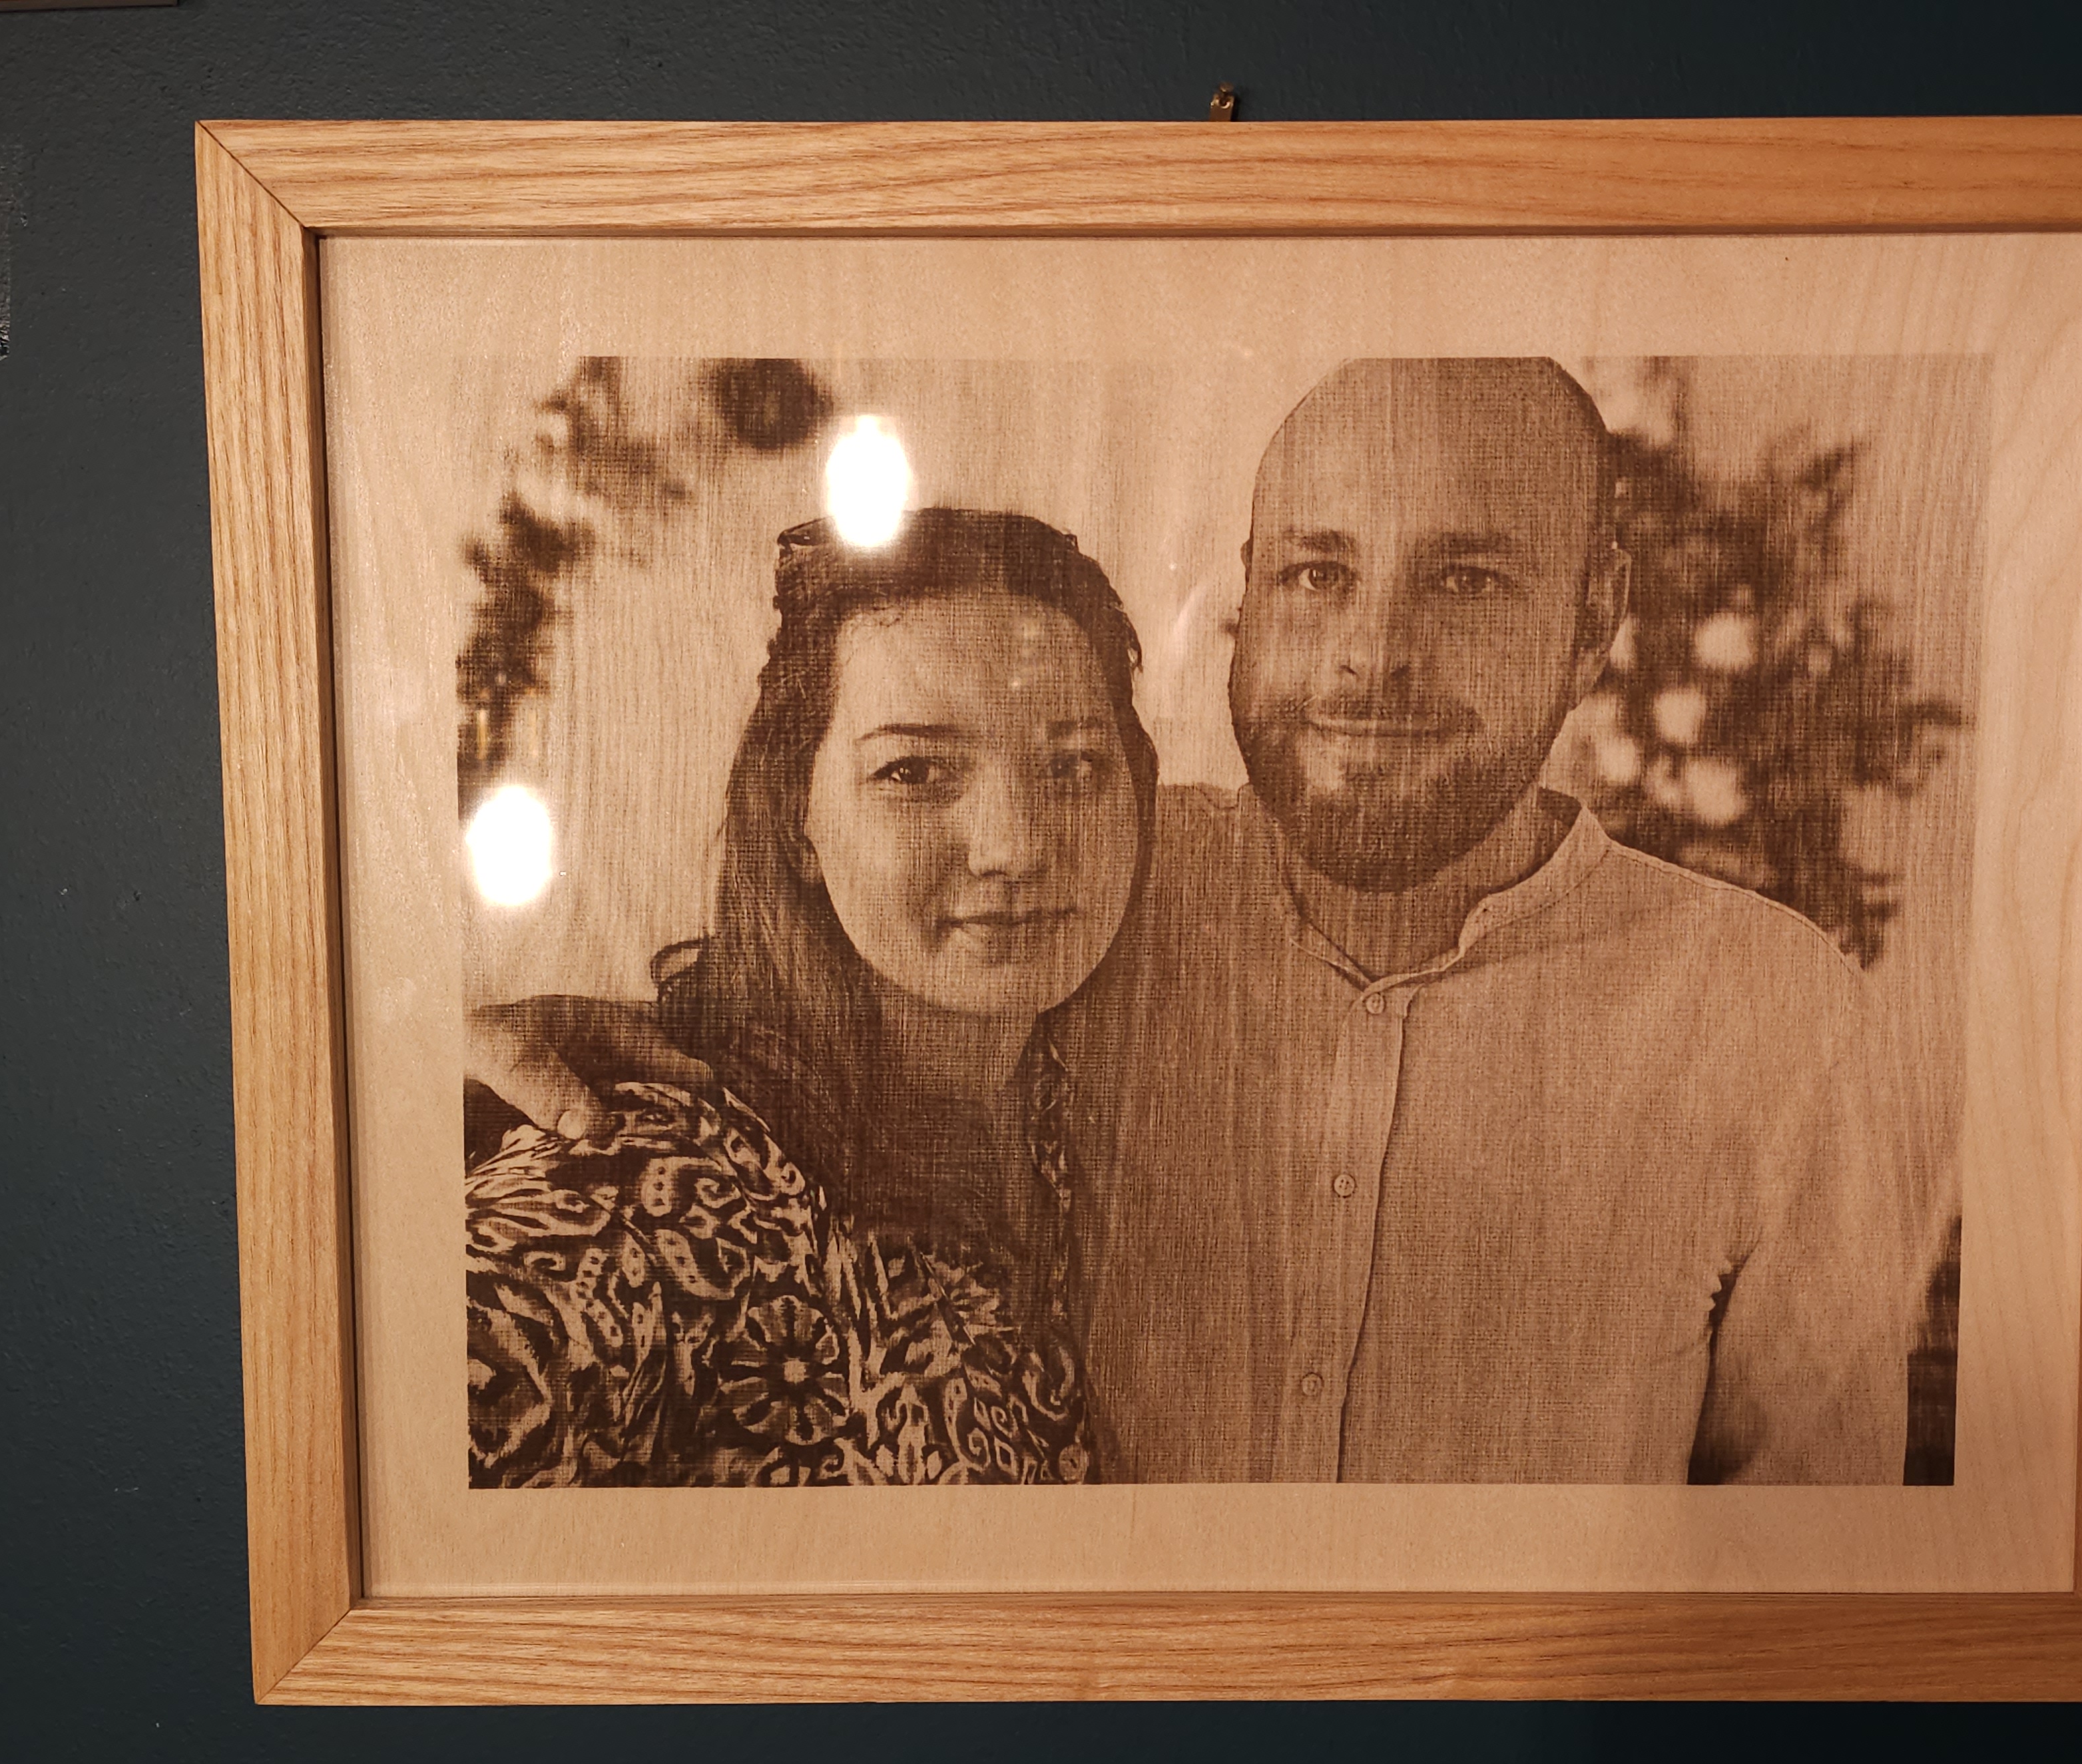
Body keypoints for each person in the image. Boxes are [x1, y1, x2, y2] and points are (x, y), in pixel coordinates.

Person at [475, 360, 1915, 1487]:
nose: (1371, 655)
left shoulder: (1772, 1015)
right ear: (1245, 598)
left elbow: (1807, 1585)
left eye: (1467, 579)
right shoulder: (1087, 895)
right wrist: (468, 1075)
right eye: (1316, 573)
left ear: (1594, 618)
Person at [465, 509, 1157, 1487]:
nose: (1015, 847)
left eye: (1074, 765)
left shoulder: (1067, 1118)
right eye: (914, 771)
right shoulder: (655, 1190)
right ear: (798, 820)